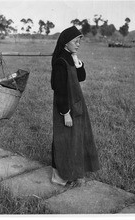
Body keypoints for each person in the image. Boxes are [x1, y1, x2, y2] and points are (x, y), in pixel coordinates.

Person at [50, 26, 100, 186]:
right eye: (75, 41)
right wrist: (65, 113)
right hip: (65, 106)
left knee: (76, 139)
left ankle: (71, 173)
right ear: (65, 43)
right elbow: (59, 90)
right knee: (63, 140)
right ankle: (58, 177)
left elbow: (81, 77)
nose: (78, 44)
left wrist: (76, 58)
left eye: (79, 41)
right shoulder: (60, 62)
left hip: (76, 104)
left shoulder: (70, 57)